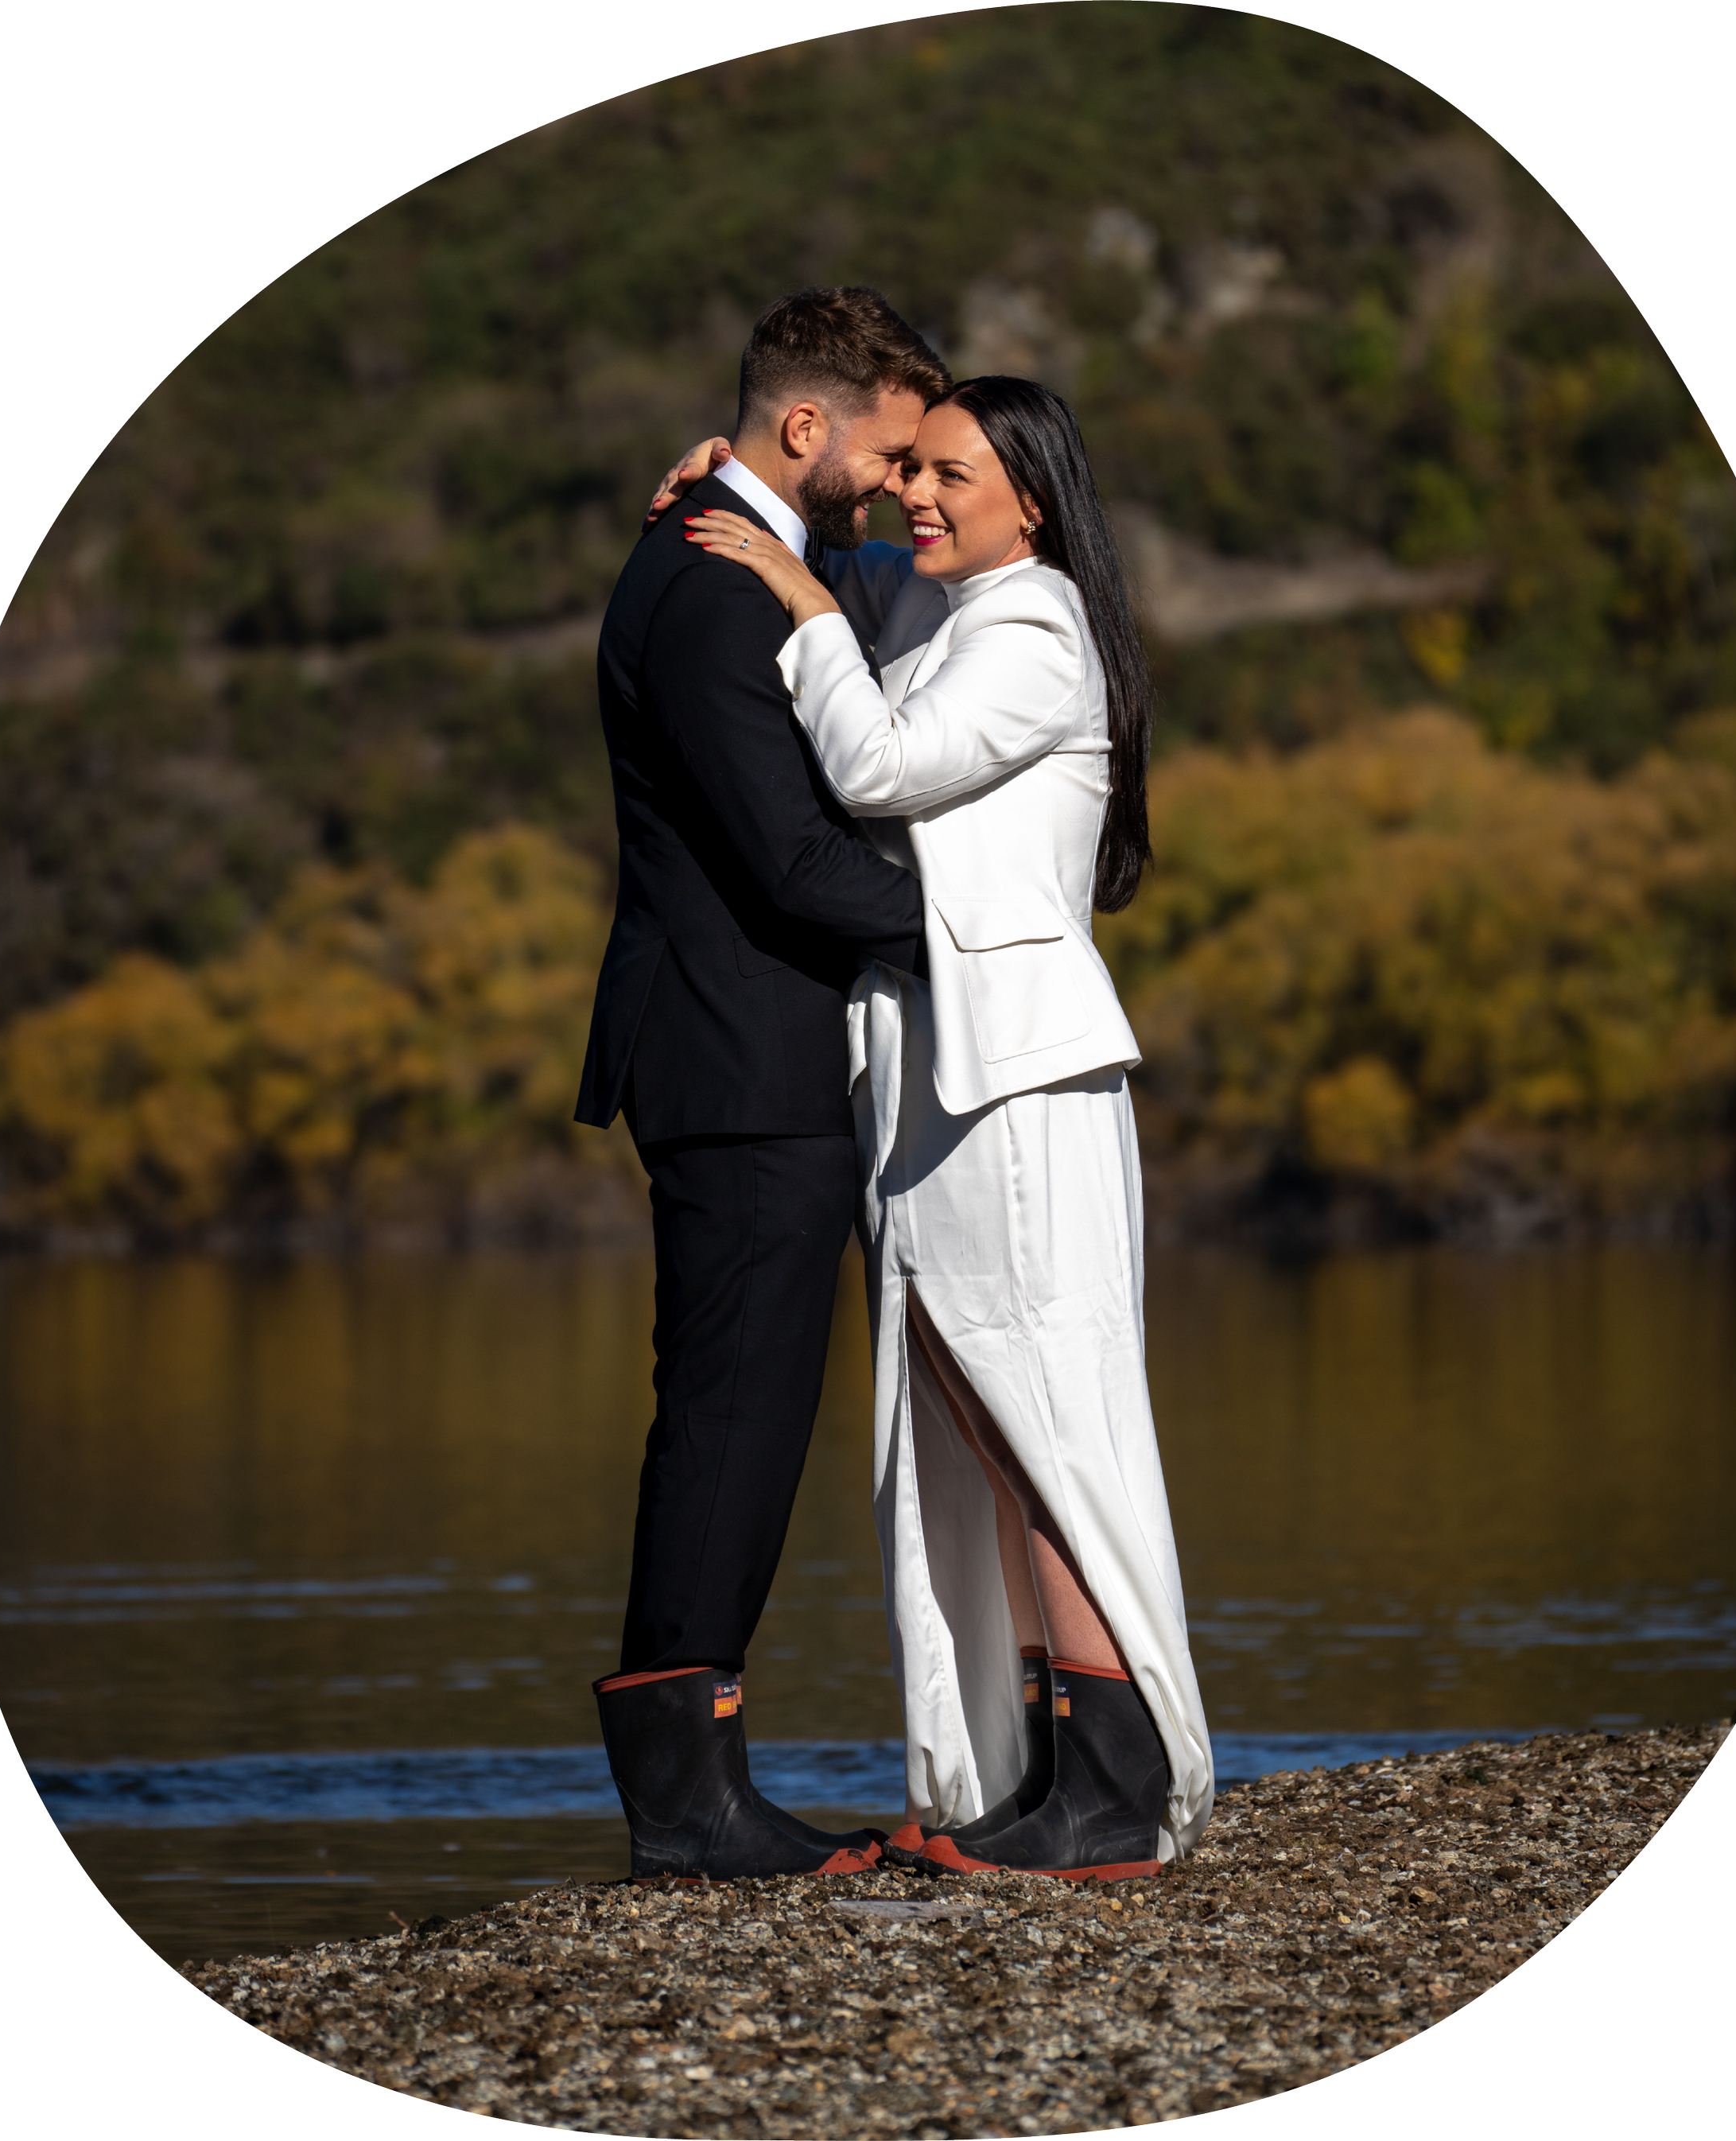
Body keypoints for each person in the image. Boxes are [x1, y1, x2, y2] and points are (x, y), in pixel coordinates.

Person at [677, 376, 1215, 1880]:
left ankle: (1116, 1783)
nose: (915, 493)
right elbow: (861, 595)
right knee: (976, 1424)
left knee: (1039, 1416)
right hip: (931, 1078)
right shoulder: (948, 615)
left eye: (950, 472)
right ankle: (1052, 1766)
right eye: (904, 467)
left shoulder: (1038, 628)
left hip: (1018, 1081)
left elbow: (880, 766)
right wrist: (748, 492)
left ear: (1029, 498)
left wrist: (792, 589)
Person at [573, 288, 950, 1879]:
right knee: (731, 1418)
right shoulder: (712, 591)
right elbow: (790, 866)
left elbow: (885, 577)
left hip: (749, 1053)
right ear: (805, 424)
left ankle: (696, 1788)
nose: (890, 481)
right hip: (734, 1061)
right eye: (877, 445)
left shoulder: (739, 554)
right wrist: (994, 921)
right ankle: (685, 1807)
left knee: (745, 1411)